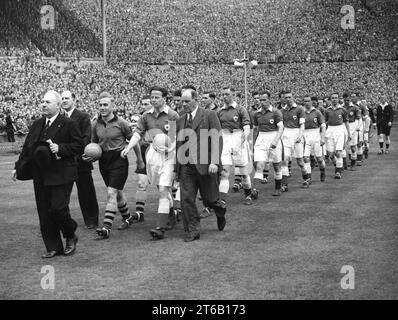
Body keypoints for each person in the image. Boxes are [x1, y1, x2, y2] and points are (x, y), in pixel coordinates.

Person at [12, 90, 83, 258]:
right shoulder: (37, 124)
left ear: (58, 105)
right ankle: (53, 246)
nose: (43, 104)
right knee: (44, 213)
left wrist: (60, 148)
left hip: (62, 173)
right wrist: (18, 166)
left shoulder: (68, 123)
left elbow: (79, 146)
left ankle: (70, 234)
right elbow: (28, 148)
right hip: (40, 174)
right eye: (42, 101)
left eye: (48, 102)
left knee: (58, 209)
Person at [121, 86, 179, 240]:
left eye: (156, 97)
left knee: (163, 189)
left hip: (168, 155)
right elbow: (138, 133)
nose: (153, 100)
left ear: (164, 98)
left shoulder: (172, 115)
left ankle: (160, 228)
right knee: (161, 187)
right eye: (152, 97)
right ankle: (172, 214)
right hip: (153, 154)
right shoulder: (146, 116)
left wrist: (169, 148)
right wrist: (128, 147)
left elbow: (175, 137)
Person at [87, 92, 142, 239]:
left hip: (119, 159)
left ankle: (106, 227)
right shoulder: (95, 124)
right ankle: (128, 218)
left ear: (112, 106)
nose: (103, 107)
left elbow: (133, 142)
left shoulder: (122, 123)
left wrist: (140, 160)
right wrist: (90, 156)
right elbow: (93, 144)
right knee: (117, 193)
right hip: (104, 161)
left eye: (106, 105)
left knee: (111, 192)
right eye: (100, 105)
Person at [175, 88, 226, 242]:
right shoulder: (180, 120)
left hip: (206, 164)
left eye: (187, 101)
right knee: (187, 200)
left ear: (195, 99)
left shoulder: (209, 115)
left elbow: (217, 139)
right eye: (182, 101)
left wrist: (214, 162)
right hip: (186, 167)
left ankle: (220, 209)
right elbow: (178, 145)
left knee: (210, 199)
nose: (184, 104)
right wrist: (176, 169)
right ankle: (192, 230)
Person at [61, 90, 99, 229]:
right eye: (62, 98)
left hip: (81, 162)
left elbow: (85, 138)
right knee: (62, 194)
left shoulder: (82, 116)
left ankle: (91, 220)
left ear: (73, 100)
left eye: (67, 98)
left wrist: (73, 154)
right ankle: (63, 222)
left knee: (86, 192)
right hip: (65, 162)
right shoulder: (59, 117)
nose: (64, 100)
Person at [251, 91, 284, 197]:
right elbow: (255, 130)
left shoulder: (276, 112)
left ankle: (278, 188)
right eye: (260, 100)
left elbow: (281, 128)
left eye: (264, 100)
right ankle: (255, 190)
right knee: (259, 164)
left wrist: (276, 140)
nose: (262, 102)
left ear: (269, 100)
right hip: (261, 138)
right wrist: (253, 144)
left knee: (276, 166)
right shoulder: (256, 114)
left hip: (274, 137)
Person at [280, 90, 308, 191]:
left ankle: (306, 178)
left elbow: (302, 124)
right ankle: (284, 185)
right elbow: (281, 125)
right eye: (286, 97)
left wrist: (300, 135)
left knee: (300, 161)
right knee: (285, 160)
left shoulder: (299, 109)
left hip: (297, 134)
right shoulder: (282, 111)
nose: (288, 99)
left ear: (293, 97)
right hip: (286, 135)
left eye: (289, 97)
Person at [324, 93, 351, 179]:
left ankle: (338, 172)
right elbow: (325, 123)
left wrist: (348, 133)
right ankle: (338, 165)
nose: (334, 99)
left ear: (338, 99)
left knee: (338, 153)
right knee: (331, 154)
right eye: (333, 98)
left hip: (340, 130)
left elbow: (346, 122)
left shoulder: (343, 110)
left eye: (336, 98)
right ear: (330, 99)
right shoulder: (327, 110)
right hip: (330, 131)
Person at [303, 95, 326, 182]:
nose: (307, 103)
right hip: (305, 135)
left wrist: (322, 137)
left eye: (308, 101)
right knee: (306, 158)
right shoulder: (301, 112)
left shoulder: (317, 112)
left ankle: (322, 171)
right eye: (305, 101)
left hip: (316, 134)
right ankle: (308, 178)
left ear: (311, 102)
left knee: (319, 159)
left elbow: (323, 125)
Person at [343, 93, 361, 170]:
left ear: (350, 99)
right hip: (343, 126)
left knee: (353, 147)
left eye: (348, 100)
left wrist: (355, 128)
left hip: (352, 125)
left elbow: (358, 119)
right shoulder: (341, 108)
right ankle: (344, 164)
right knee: (343, 147)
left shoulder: (355, 108)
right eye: (345, 100)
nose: (346, 101)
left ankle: (353, 164)